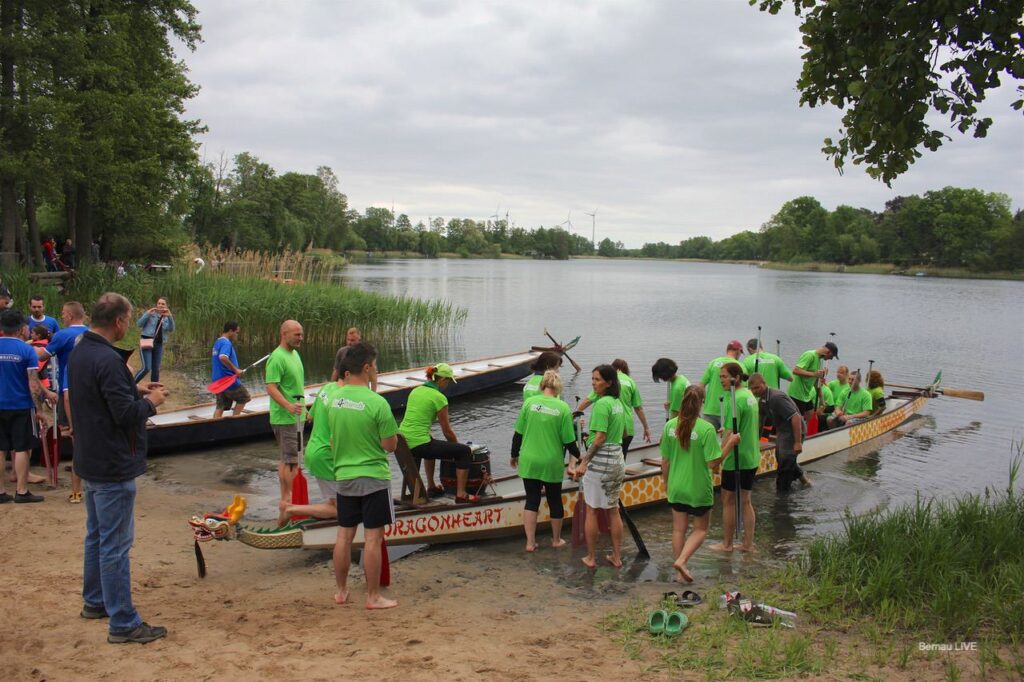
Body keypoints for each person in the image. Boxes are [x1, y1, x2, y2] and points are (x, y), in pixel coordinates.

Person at [69, 293, 169, 643]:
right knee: (115, 544)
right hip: (112, 464)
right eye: (127, 319)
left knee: (97, 536)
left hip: (90, 460)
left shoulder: (82, 350)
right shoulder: (107, 360)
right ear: (119, 322)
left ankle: (95, 601)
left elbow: (99, 395)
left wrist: (135, 388)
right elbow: (124, 415)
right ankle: (123, 623)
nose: (128, 325)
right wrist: (152, 403)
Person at [327, 342, 399, 610]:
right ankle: (372, 596)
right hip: (372, 476)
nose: (376, 371)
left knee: (344, 536)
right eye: (375, 366)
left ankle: (342, 591)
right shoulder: (377, 403)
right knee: (372, 538)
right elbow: (390, 445)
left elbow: (333, 441)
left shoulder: (335, 399)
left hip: (344, 475)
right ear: (366, 368)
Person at [660, 385, 728, 582]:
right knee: (700, 529)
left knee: (678, 529)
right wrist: (729, 444)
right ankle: (682, 561)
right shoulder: (706, 428)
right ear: (702, 403)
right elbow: (713, 462)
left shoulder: (670, 425)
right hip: (698, 488)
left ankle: (679, 573)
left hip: (676, 485)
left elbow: (665, 460)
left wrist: (666, 483)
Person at [511, 369, 578, 551]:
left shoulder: (529, 403)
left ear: (542, 385)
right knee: (555, 500)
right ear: (558, 388)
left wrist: (513, 454)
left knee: (531, 500)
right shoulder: (563, 408)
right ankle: (556, 540)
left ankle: (530, 543)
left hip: (529, 459)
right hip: (551, 461)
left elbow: (518, 434)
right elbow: (569, 441)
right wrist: (581, 458)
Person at [279, 351, 348, 523]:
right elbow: (335, 440)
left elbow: (310, 417)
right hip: (326, 456)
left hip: (314, 451)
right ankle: (291, 509)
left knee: (337, 501)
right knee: (342, 509)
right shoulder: (343, 398)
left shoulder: (327, 388)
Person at [571, 364, 626, 569]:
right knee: (613, 510)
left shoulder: (602, 405)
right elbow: (625, 432)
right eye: (592, 379)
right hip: (617, 460)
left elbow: (600, 438)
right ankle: (617, 557)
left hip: (601, 463)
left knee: (592, 510)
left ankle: (591, 558)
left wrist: (584, 462)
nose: (593, 383)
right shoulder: (617, 402)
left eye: (598, 380)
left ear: (609, 383)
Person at [398, 363, 479, 503]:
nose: (447, 385)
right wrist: (457, 448)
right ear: (442, 380)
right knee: (464, 451)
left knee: (431, 441)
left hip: (402, 442)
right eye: (448, 381)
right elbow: (447, 431)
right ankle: (461, 494)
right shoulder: (439, 397)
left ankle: (431, 486)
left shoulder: (415, 390)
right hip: (418, 444)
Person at [0, 309, 56, 503]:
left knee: (0, 448)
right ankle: (21, 491)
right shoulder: (26, 350)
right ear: (22, 328)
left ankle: (0, 491)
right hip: (21, 405)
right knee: (22, 447)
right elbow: (33, 383)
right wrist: (40, 410)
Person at [40, 301, 89, 502]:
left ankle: (77, 491)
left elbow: (41, 355)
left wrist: (25, 347)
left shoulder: (62, 336)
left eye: (63, 313)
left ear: (69, 315)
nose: (61, 316)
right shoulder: (93, 333)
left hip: (70, 392)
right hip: (91, 390)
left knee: (76, 439)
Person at [710, 363, 759, 553]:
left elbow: (731, 432)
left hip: (735, 457)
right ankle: (748, 544)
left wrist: (717, 459)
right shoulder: (749, 395)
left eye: (724, 376)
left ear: (736, 378)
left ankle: (727, 544)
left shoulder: (734, 398)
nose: (721, 380)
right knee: (746, 500)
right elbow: (742, 424)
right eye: (720, 376)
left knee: (728, 500)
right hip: (752, 456)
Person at [265, 320, 306, 527]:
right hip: (285, 417)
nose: (300, 337)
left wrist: (304, 410)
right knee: (292, 460)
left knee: (287, 459)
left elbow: (295, 386)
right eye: (296, 334)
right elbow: (271, 387)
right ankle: (289, 502)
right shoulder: (277, 357)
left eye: (301, 334)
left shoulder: (294, 354)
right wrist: (289, 406)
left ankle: (285, 501)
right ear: (284, 334)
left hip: (296, 415)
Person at [749, 373, 808, 491]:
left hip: (794, 431)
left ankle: (783, 494)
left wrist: (797, 442)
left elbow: (795, 417)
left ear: (764, 384)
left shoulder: (776, 397)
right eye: (752, 389)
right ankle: (806, 482)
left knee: (784, 467)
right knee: (782, 459)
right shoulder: (762, 401)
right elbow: (760, 423)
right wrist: (756, 443)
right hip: (783, 432)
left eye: (757, 387)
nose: (755, 391)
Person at [578, 358, 651, 454]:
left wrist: (574, 415)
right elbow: (638, 408)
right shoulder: (631, 382)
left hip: (609, 428)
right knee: (621, 457)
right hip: (627, 427)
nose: (594, 382)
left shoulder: (604, 382)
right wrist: (646, 428)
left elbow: (588, 400)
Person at [787, 341, 839, 422]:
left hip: (806, 396)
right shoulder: (810, 355)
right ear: (828, 352)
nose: (831, 359)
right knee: (797, 421)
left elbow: (816, 382)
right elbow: (796, 370)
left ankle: (809, 434)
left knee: (812, 419)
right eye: (831, 356)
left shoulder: (819, 360)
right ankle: (797, 434)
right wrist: (814, 374)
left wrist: (822, 400)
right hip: (797, 394)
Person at [699, 340, 744, 429]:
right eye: (740, 353)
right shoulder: (739, 366)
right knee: (726, 440)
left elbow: (701, 385)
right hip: (728, 411)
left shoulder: (713, 363)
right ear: (738, 351)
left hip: (709, 410)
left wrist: (705, 400)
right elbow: (742, 389)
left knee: (707, 439)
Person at [211, 321, 251, 419]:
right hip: (228, 381)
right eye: (236, 333)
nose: (237, 335)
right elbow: (222, 357)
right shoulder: (226, 343)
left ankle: (213, 426)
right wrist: (236, 370)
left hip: (217, 381)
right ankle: (235, 421)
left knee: (220, 406)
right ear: (230, 331)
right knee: (245, 397)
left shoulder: (218, 342)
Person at [133, 297, 174, 384]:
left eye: (163, 304)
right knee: (146, 368)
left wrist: (170, 317)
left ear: (166, 306)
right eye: (159, 303)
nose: (160, 305)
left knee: (156, 369)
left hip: (159, 345)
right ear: (156, 304)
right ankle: (131, 385)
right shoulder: (151, 314)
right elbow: (139, 324)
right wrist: (147, 314)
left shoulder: (166, 318)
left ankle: (154, 389)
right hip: (146, 342)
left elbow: (171, 329)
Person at [330, 327, 378, 392]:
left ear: (359, 340)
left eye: (352, 340)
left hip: (361, 390)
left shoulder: (367, 354)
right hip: (344, 389)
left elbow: (373, 377)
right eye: (348, 340)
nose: (349, 343)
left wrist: (373, 394)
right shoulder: (341, 352)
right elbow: (335, 372)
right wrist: (331, 389)